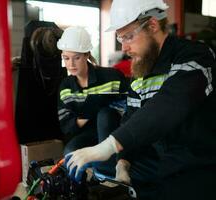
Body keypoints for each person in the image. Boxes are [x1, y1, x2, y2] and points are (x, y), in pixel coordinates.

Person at [64, 0, 216, 200]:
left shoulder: (195, 56)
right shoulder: (142, 70)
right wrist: (122, 162)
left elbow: (168, 105)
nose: (124, 47)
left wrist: (108, 146)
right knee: (92, 167)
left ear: (152, 25)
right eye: (120, 38)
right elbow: (132, 117)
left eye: (128, 36)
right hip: (160, 157)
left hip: (198, 159)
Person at [57, 26, 128, 176]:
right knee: (69, 154)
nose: (71, 64)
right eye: (66, 58)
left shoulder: (112, 77)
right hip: (87, 135)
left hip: (114, 132)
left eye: (76, 58)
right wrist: (93, 107)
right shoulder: (66, 87)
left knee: (105, 114)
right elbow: (67, 126)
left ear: (87, 55)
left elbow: (130, 107)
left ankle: (108, 176)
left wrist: (100, 108)